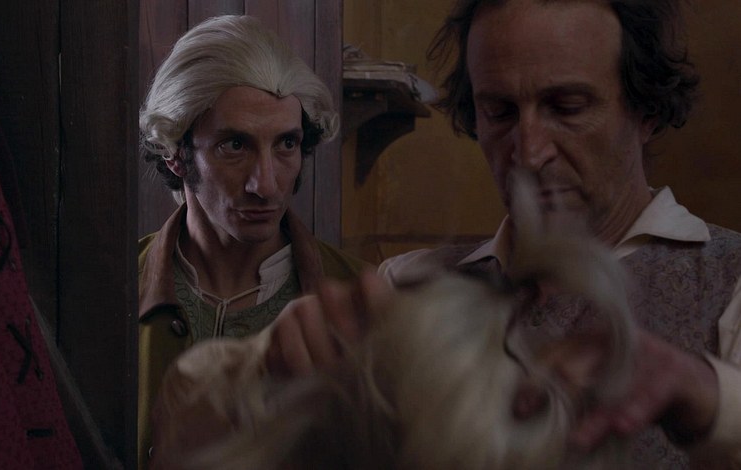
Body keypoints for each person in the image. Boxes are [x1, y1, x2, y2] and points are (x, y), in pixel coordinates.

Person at [374, 0, 741, 467]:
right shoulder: (407, 285)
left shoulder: (729, 281)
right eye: (500, 112)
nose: (528, 154)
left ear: (646, 111)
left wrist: (707, 396)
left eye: (566, 108)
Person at [136, 14, 369, 468]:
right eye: (235, 146)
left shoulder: (354, 297)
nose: (266, 185)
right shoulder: (112, 292)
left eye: (286, 145)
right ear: (176, 153)